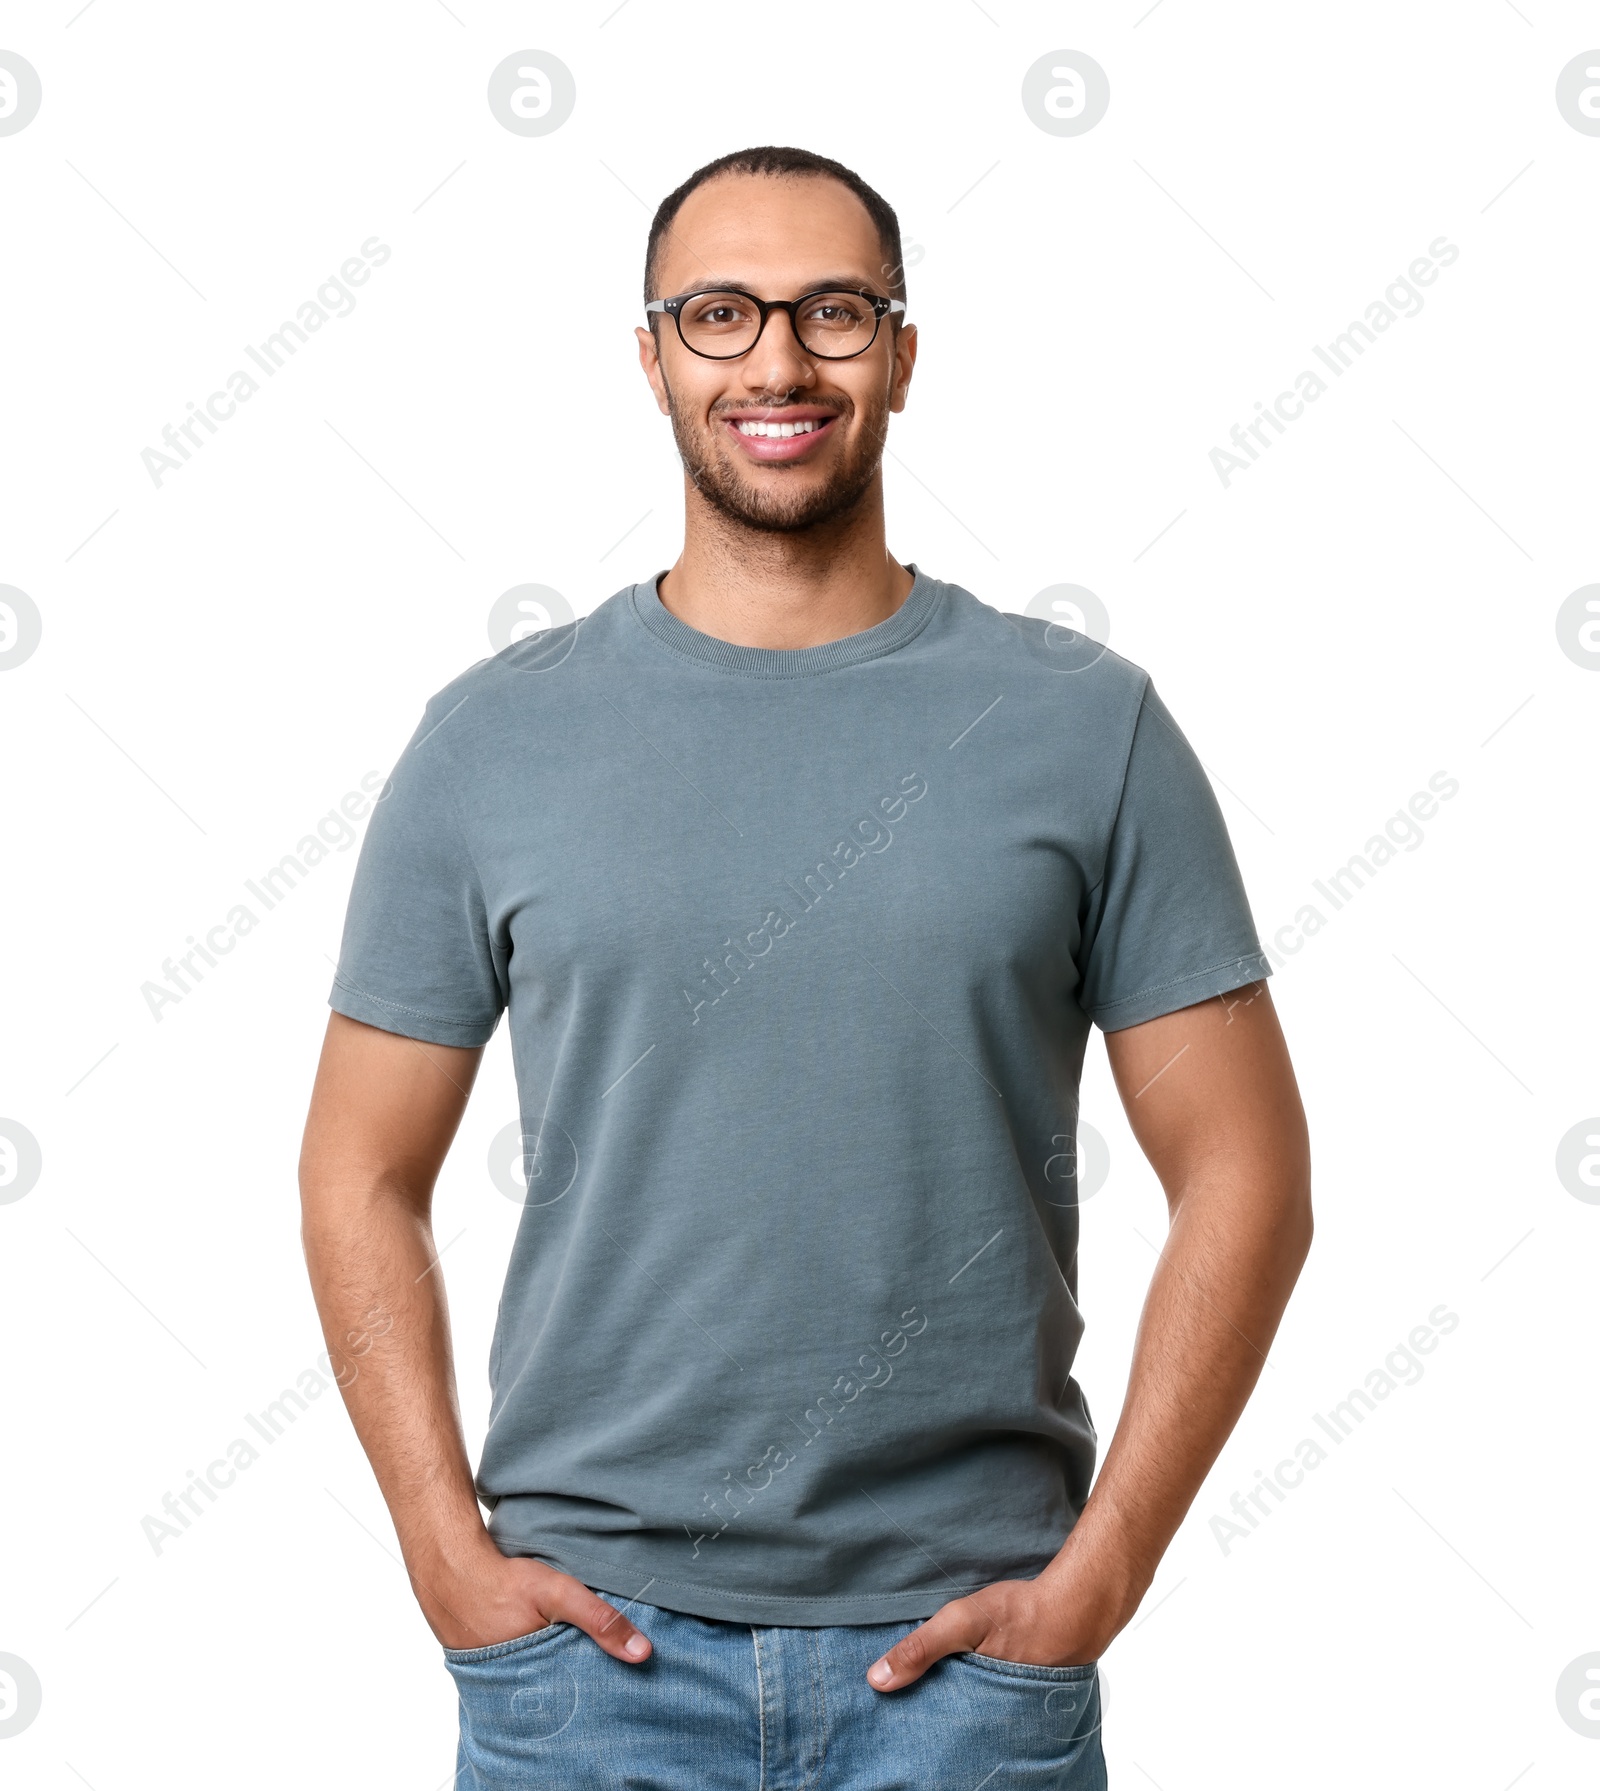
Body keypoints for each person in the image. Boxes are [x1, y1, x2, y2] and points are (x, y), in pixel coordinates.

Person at [299, 145, 1312, 1789]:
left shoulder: (1083, 724)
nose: (778, 362)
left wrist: (1104, 1570)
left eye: (834, 312)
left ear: (904, 352)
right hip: (586, 1667)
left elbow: (1250, 1171)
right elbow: (359, 1166)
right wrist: (441, 1548)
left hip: (971, 1674)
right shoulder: (492, 742)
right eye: (721, 314)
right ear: (651, 356)